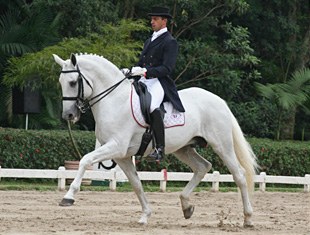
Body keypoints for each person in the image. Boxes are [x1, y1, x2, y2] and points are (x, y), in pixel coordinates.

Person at [130, 6, 185, 161]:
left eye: (155, 19)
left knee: (153, 106)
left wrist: (147, 72)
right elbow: (142, 61)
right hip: (143, 79)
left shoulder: (170, 41)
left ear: (164, 21)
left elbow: (167, 68)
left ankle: (159, 148)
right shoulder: (149, 40)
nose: (152, 22)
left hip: (159, 81)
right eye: (152, 19)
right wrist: (132, 71)